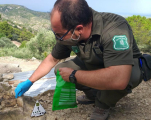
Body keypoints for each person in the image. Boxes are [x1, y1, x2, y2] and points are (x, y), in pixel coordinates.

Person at [15, 0, 143, 119]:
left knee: (126, 77)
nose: (57, 38)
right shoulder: (68, 31)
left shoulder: (114, 28)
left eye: (59, 35)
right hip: (96, 64)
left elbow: (119, 79)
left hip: (125, 68)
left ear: (79, 29)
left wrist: (73, 75)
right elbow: (52, 59)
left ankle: (103, 104)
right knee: (60, 70)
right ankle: (94, 95)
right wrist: (29, 81)